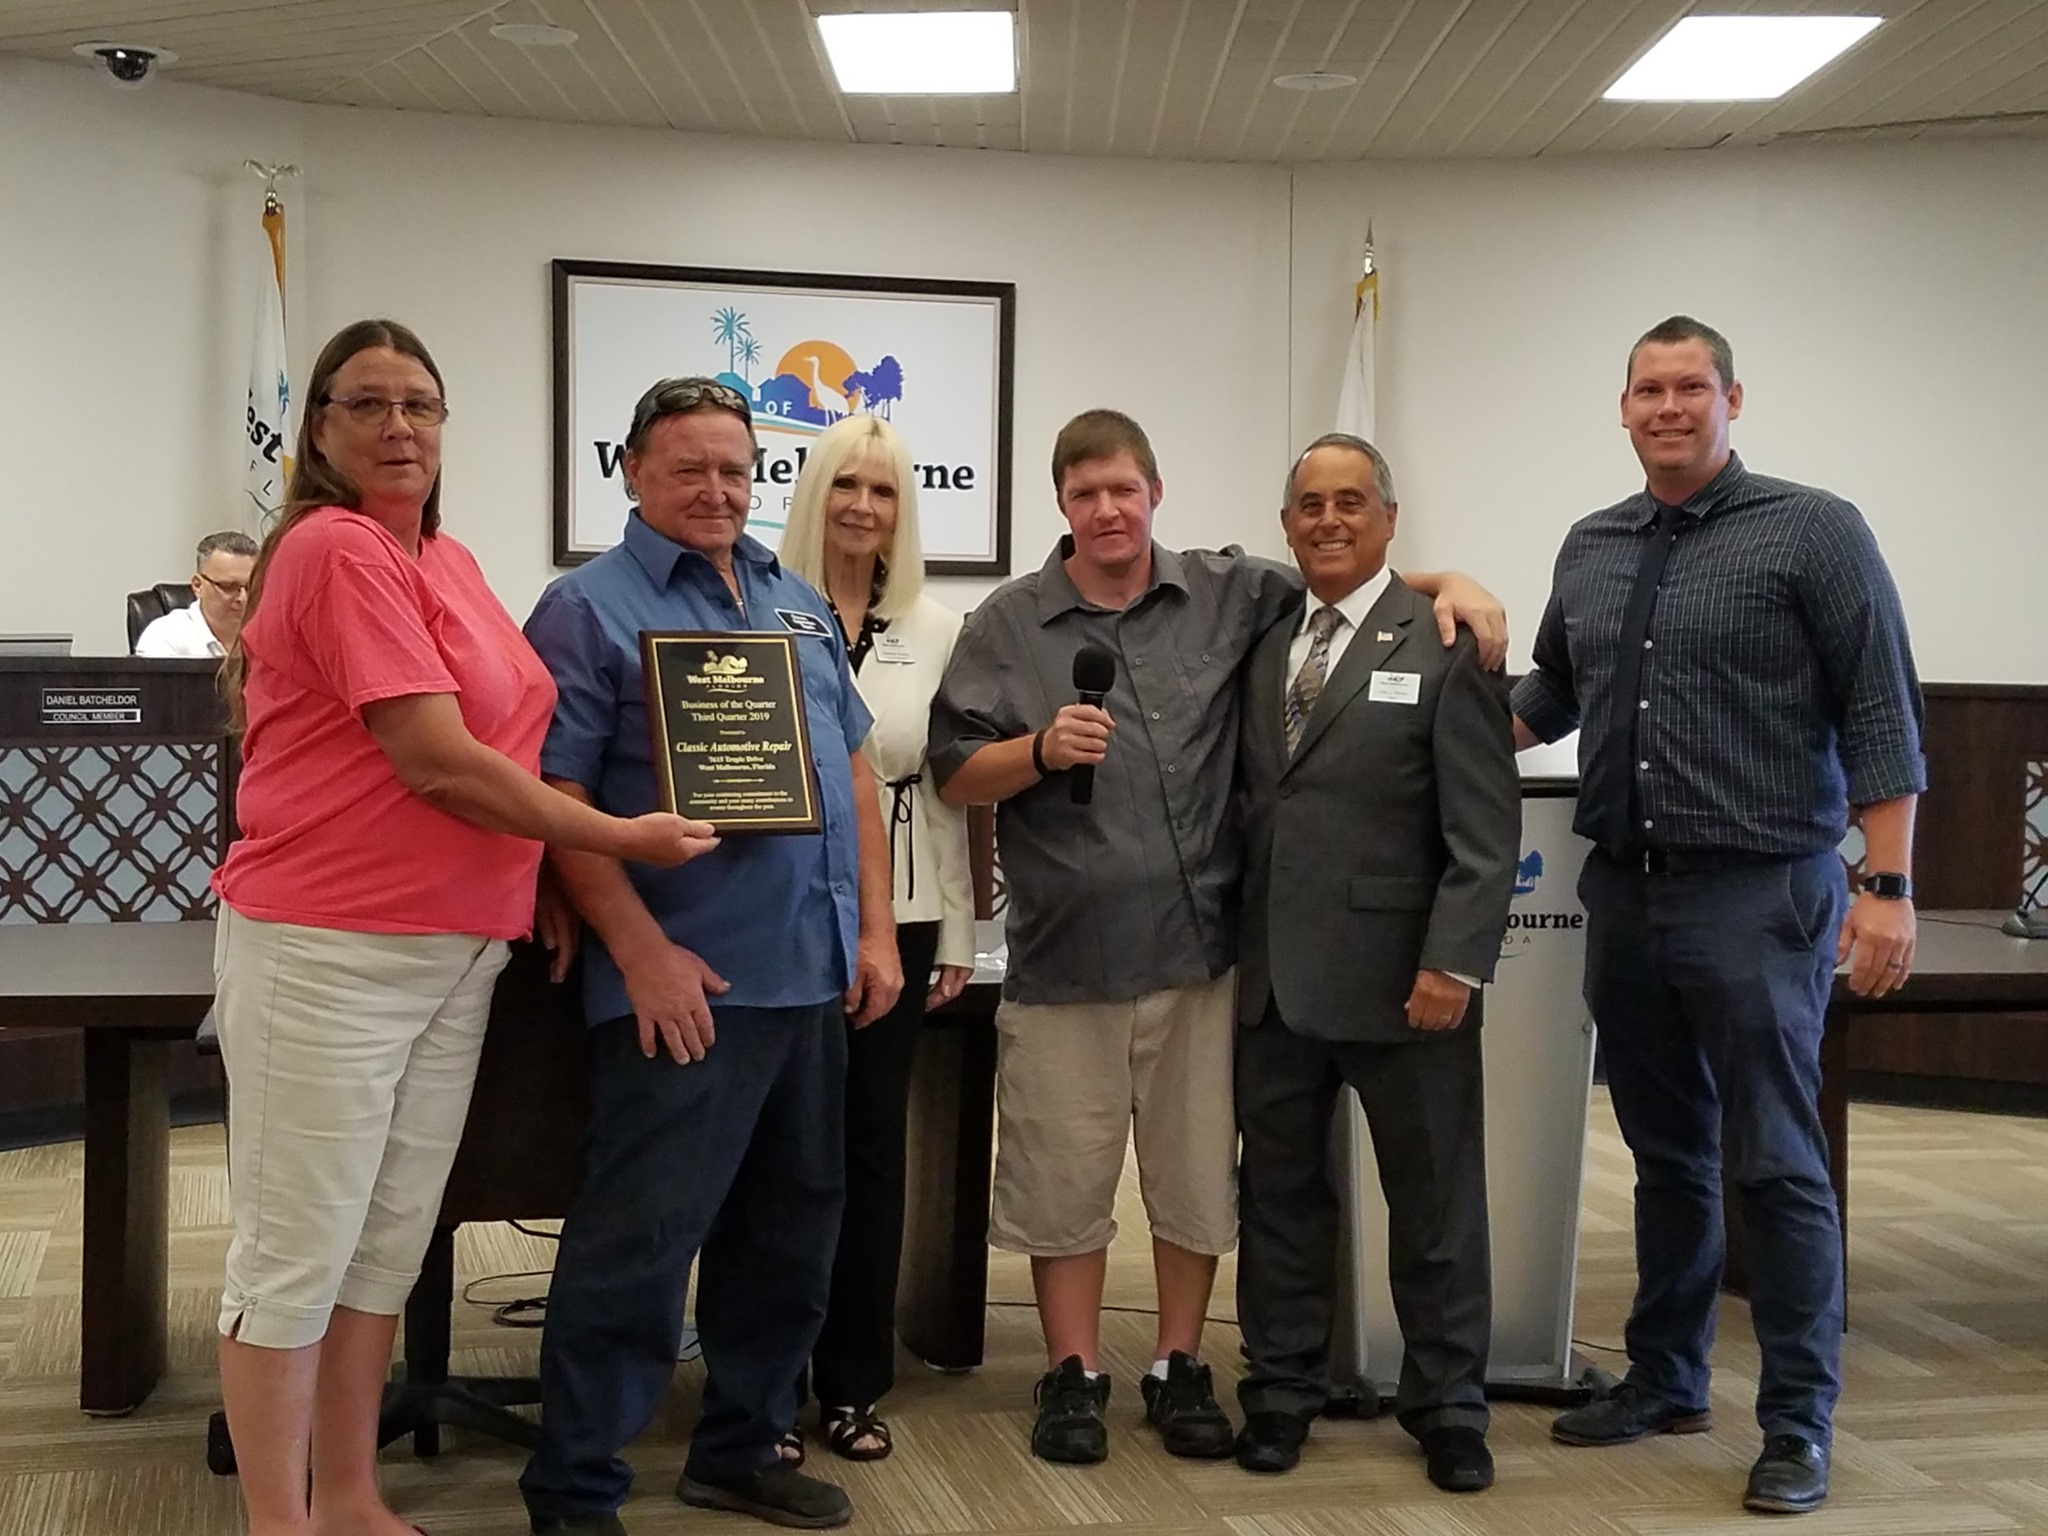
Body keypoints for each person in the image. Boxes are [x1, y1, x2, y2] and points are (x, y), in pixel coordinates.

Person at [927, 407, 1508, 1467]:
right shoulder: (1018, 623)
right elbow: (954, 770)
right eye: (1086, 493)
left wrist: (1451, 582)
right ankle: (1147, 1380)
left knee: (1244, 1188)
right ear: (1061, 504)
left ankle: (1258, 1377)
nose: (1108, 509)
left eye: (1125, 489)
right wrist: (1041, 750)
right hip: (1111, 961)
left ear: (1156, 493)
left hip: (1240, 965)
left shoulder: (1238, 596)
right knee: (1140, 1190)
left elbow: (1353, 587)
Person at [212, 319, 714, 1536]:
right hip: (331, 949)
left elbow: (505, 743)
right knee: (295, 1255)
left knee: (384, 1247)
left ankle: (348, 1498)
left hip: (457, 949)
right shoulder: (333, 548)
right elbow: (435, 759)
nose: (399, 427)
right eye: (368, 404)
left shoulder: (444, 558)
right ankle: (280, 1523)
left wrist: (536, 870)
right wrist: (611, 838)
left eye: (420, 406)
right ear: (318, 429)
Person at [1516, 316, 1925, 1516]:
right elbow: (1550, 695)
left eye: (1689, 386)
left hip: (1760, 892)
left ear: (1730, 400)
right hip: (1622, 890)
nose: (1667, 407)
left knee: (1777, 1162)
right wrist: (1430, 655)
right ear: (1622, 408)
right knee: (1665, 1155)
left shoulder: (1813, 531)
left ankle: (1796, 1425)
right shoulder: (1591, 543)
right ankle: (1666, 1379)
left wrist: (1885, 886)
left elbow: (1879, 710)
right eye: (1647, 389)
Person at [518, 378, 902, 1536]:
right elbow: (556, 799)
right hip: (683, 984)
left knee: (789, 1236)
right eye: (688, 468)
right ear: (632, 471)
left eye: (735, 470)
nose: (716, 490)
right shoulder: (587, 608)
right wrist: (640, 952)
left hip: (808, 977)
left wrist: (873, 931)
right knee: (639, 1244)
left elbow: (853, 774)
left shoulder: (794, 602)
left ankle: (740, 1447)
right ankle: (575, 1484)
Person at [1231, 433, 1518, 1492]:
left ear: (1389, 518)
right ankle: (1280, 1392)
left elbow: (1484, 834)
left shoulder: (1445, 644)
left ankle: (1448, 1407)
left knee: (1434, 1207)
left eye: (1351, 502)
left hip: (1408, 983)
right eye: (1309, 504)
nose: (1329, 521)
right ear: (1285, 524)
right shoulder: (1262, 639)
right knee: (1278, 1202)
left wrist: (1454, 963)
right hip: (1273, 983)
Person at [774, 414, 975, 1463]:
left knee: (868, 1153)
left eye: (884, 490)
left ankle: (852, 1381)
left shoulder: (938, 628)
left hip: (898, 914)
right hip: (779, 914)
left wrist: (959, 928)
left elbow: (948, 792)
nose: (862, 506)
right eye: (846, 485)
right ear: (814, 493)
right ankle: (764, 1386)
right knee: (777, 1156)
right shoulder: (760, 604)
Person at [135, 529, 257, 656]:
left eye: (251, 587)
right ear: (198, 586)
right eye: (228, 586)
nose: (243, 598)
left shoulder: (268, 634)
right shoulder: (164, 636)